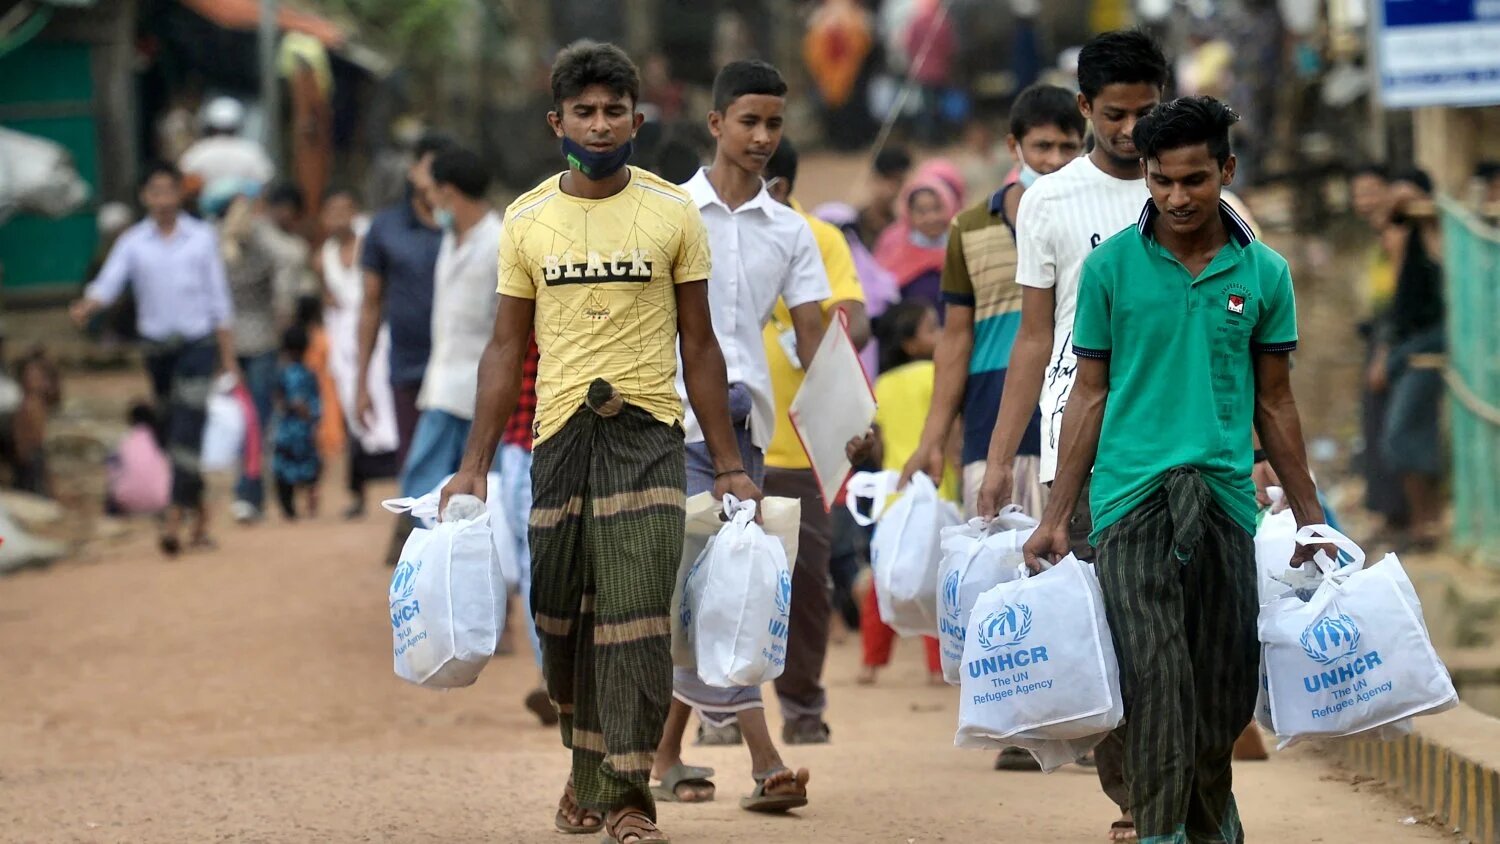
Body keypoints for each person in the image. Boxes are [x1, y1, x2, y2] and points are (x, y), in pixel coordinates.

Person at [437, 41, 761, 844]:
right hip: (558, 446)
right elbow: (506, 349)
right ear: (557, 123)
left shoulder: (670, 213)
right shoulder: (527, 220)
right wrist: (472, 466)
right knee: (562, 621)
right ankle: (585, 778)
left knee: (635, 617)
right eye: (584, 110)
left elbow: (702, 344)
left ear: (638, 120)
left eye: (615, 109)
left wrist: (727, 464)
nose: (601, 122)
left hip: (648, 437)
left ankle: (625, 799)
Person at [1022, 94, 1332, 844]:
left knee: (1222, 694)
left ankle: (1210, 821)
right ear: (1147, 178)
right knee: (1157, 682)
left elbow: (1277, 405)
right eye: (1162, 181)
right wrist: (1058, 516)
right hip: (1129, 501)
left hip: (1226, 502)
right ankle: (1164, 833)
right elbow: (1088, 395)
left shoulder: (1265, 274)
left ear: (1225, 170)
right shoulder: (1108, 270)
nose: (1177, 197)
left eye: (1195, 180)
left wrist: (1312, 515)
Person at [975, 30, 1168, 839]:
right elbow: (1033, 336)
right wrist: (1000, 457)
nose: (1130, 131)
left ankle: (1177, 789)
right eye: (1115, 115)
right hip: (1079, 446)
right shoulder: (1051, 201)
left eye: (1145, 113)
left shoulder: (1193, 188)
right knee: (1117, 631)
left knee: (1179, 632)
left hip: (1181, 436)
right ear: (1086, 108)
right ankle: (1136, 801)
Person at [651, 58, 824, 814]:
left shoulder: (792, 231)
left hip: (742, 433)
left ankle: (662, 757)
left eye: (773, 124)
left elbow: (817, 337)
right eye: (748, 121)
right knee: (721, 588)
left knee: (714, 589)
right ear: (715, 123)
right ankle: (764, 759)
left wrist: (848, 424)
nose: (761, 136)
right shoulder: (663, 213)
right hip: (667, 425)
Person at [901, 83, 1086, 523]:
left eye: (1068, 147)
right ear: (1014, 147)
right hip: (991, 421)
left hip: (1077, 422)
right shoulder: (968, 228)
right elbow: (955, 339)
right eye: (1042, 146)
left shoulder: (1094, 225)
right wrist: (934, 436)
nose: (1054, 160)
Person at [759, 138, 871, 745]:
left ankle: (802, 710)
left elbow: (856, 313)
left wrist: (809, 317)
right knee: (714, 582)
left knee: (805, 588)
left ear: (776, 186)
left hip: (803, 449)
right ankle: (720, 711)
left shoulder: (818, 237)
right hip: (725, 440)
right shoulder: (705, 229)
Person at [71, 162, 239, 556]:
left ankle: (174, 515)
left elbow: (219, 299)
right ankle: (199, 512)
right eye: (155, 191)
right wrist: (88, 305)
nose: (163, 200)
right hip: (156, 351)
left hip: (197, 346)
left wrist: (227, 356)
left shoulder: (201, 238)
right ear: (145, 196)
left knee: (187, 427)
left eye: (169, 191)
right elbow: (110, 282)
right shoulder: (133, 242)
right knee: (170, 434)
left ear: (181, 194)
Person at [357, 131, 455, 565]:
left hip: (463, 370)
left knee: (464, 468)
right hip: (410, 366)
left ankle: (450, 557)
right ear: (413, 172)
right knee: (415, 463)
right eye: (427, 166)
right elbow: (371, 305)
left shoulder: (470, 225)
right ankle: (419, 557)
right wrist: (360, 381)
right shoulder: (386, 228)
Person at [395, 147, 503, 502]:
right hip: (444, 380)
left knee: (473, 485)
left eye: (432, 192)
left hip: (478, 382)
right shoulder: (451, 239)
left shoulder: (498, 243)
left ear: (448, 192)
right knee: (427, 481)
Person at [855, 300, 948, 686]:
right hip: (938, 493)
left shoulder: (883, 385)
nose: (941, 334)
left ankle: (870, 664)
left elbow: (876, 442)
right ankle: (937, 668)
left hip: (894, 497)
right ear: (910, 344)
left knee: (884, 581)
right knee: (935, 581)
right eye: (932, 328)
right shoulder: (938, 375)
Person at [202, 179, 282, 524]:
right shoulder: (262, 243)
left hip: (232, 343)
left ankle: (246, 493)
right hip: (258, 340)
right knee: (256, 422)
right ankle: (249, 494)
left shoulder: (217, 247)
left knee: (244, 422)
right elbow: (290, 261)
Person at [1375, 168, 1446, 551]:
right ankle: (1424, 524)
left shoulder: (1435, 233)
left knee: (1402, 435)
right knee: (1407, 435)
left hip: (1428, 342)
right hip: (1409, 343)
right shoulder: (1404, 238)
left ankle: (1427, 525)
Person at [319, 187, 398, 519]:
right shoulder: (324, 253)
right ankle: (359, 490)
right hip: (345, 340)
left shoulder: (374, 238)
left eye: (344, 210)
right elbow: (329, 293)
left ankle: (403, 487)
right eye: (331, 212)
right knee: (355, 409)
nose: (338, 219)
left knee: (389, 402)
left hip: (378, 333)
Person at [1349, 164, 1410, 540]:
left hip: (1395, 340)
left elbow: (1397, 301)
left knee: (1388, 427)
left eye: (1373, 191)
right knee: (1373, 426)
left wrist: (1384, 351)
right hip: (1379, 337)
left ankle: (1397, 515)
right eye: (1358, 193)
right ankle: (1385, 513)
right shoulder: (1378, 237)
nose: (1365, 200)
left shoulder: (1397, 236)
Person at [874, 172, 960, 312]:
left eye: (937, 208)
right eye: (922, 211)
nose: (931, 218)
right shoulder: (897, 255)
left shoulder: (962, 248)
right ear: (909, 215)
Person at [272, 325, 322, 519]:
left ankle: (289, 508)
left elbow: (277, 399)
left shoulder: (282, 373)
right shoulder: (309, 373)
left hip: (287, 431)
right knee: (310, 469)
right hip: (303, 431)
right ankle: (310, 500)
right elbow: (316, 402)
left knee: (283, 471)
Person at [178, 97, 275, 190]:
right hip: (244, 204)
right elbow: (265, 179)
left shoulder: (199, 150)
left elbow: (185, 173)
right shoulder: (251, 150)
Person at [105, 403, 171, 517]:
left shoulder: (125, 440)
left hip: (126, 502)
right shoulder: (161, 442)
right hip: (160, 502)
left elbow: (111, 469)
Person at [857, 146, 912, 248]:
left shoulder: (905, 226)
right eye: (887, 179)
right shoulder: (854, 223)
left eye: (898, 181)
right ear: (873, 179)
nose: (892, 188)